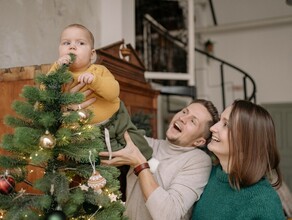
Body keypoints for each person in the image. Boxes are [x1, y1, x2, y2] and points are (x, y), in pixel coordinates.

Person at [48, 24, 153, 199]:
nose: (72, 47)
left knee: (133, 138)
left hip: (115, 118)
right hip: (87, 130)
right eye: (66, 43)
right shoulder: (59, 73)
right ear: (59, 49)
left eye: (80, 43)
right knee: (102, 161)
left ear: (92, 54)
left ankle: (149, 160)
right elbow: (47, 93)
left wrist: (95, 81)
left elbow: (113, 91)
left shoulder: (99, 70)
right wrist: (56, 71)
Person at [100, 99, 220, 220]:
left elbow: (168, 215)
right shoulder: (146, 144)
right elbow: (101, 146)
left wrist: (140, 164)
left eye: (193, 121)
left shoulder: (198, 161)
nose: (182, 118)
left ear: (199, 141)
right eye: (184, 112)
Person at [191, 99, 285, 220]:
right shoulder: (207, 175)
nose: (213, 128)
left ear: (247, 141)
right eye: (219, 120)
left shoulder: (264, 202)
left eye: (226, 124)